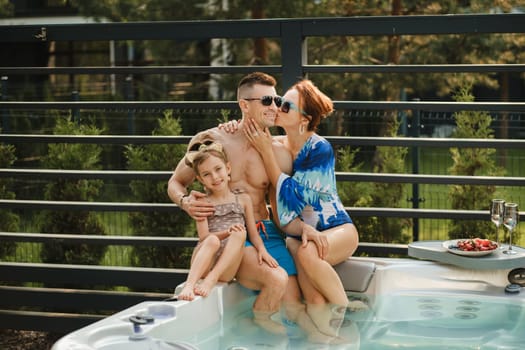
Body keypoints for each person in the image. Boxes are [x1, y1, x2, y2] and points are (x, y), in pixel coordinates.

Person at [167, 72, 301, 334]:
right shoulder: (213, 141)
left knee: (294, 306)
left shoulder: (279, 152)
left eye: (277, 100)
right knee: (276, 280)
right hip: (234, 235)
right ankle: (256, 335)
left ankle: (256, 334)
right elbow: (175, 182)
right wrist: (185, 202)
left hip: (267, 233)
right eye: (267, 101)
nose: (274, 107)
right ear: (244, 105)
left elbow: (287, 201)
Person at [243, 79, 362, 336]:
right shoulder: (278, 147)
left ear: (304, 119)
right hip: (300, 235)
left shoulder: (320, 149)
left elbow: (295, 195)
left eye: (285, 105)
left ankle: (344, 307)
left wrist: (266, 153)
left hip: (337, 230)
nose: (277, 107)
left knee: (308, 253)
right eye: (278, 102)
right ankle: (328, 341)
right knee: (315, 302)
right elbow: (247, 125)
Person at [176, 142, 278, 301]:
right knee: (212, 241)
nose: (215, 177)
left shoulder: (243, 199)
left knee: (241, 233)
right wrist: (226, 233)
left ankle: (212, 279)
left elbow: (253, 233)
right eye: (206, 174)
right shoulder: (202, 202)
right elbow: (204, 238)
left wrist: (262, 251)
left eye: (218, 169)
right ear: (200, 179)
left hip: (226, 268)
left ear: (228, 168)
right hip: (205, 262)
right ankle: (190, 284)